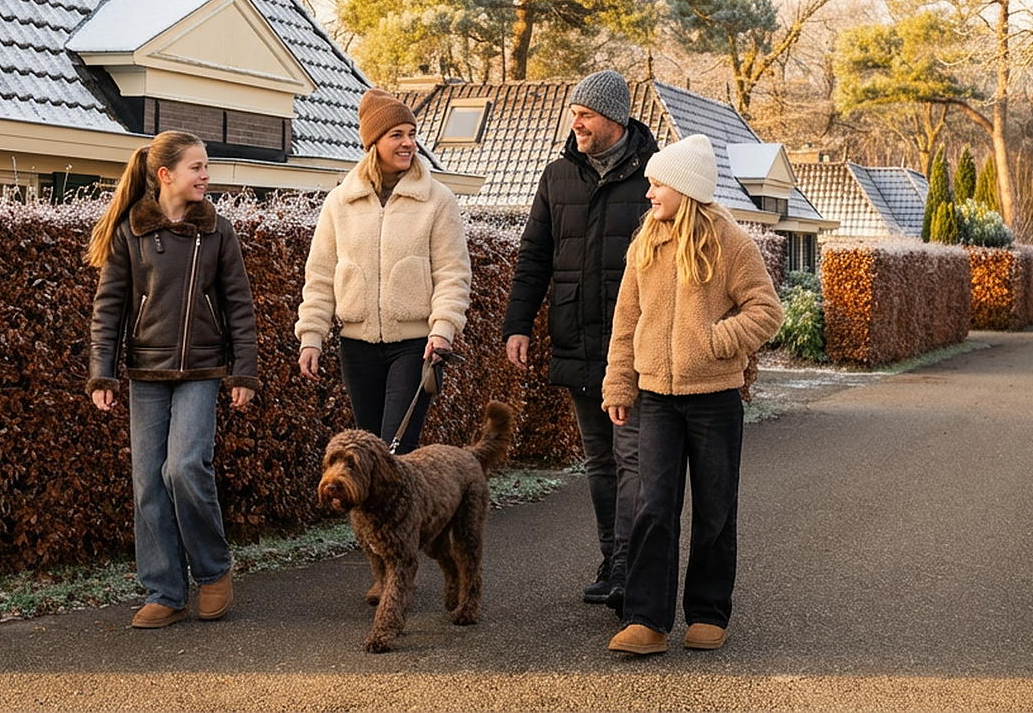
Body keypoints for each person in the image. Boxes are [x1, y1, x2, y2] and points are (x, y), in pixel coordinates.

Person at [602, 133, 782, 656]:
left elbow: (766, 311)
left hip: (714, 399)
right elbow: (625, 320)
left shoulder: (731, 243)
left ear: (687, 188)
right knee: (652, 506)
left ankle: (707, 614)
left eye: (659, 184)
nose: (649, 193)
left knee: (715, 509)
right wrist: (620, 383)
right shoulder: (646, 244)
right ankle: (646, 620)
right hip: (656, 397)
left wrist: (714, 340)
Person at [85, 130, 260, 629]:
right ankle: (165, 589)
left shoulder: (218, 231)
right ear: (166, 175)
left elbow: (239, 306)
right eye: (197, 167)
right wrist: (102, 372)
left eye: (206, 167)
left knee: (183, 467)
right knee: (148, 484)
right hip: (146, 372)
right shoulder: (131, 232)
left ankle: (212, 569)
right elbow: (109, 308)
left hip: (203, 370)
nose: (206, 176)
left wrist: (243, 370)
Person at [502, 70, 658, 604]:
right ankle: (613, 558)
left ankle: (629, 566)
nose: (576, 123)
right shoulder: (557, 177)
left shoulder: (655, 178)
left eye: (585, 114)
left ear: (613, 119)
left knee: (631, 457)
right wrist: (517, 324)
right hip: (574, 340)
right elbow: (534, 257)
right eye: (574, 113)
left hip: (633, 346)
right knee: (599, 457)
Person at [296, 88, 471, 454]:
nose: (409, 143)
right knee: (371, 453)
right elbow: (321, 278)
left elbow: (453, 274)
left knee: (397, 449)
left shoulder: (437, 200)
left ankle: (406, 513)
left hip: (416, 347)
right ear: (373, 142)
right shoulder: (340, 202)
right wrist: (312, 336)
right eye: (397, 135)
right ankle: (384, 515)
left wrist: (443, 330)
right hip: (356, 348)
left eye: (412, 134)